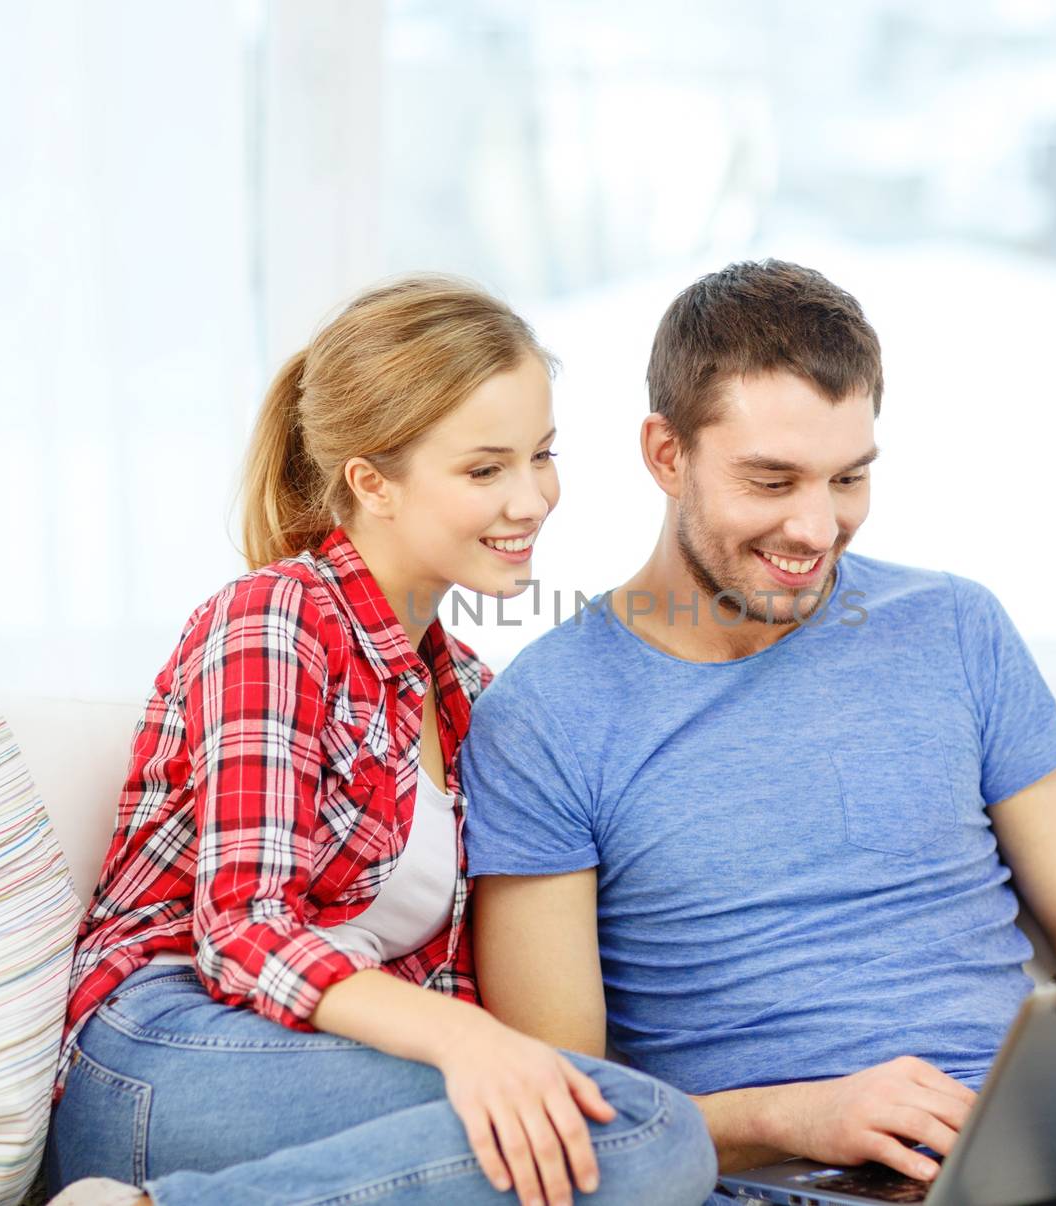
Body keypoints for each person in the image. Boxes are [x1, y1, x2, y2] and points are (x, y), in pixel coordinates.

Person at [459, 259, 1056, 1204]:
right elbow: (566, 1105)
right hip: (794, 1182)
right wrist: (790, 1117)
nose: (815, 525)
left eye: (849, 478)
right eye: (771, 480)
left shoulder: (955, 626)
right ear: (665, 453)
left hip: (1047, 1158)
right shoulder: (544, 715)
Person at [43, 277, 717, 1206]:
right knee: (634, 1128)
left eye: (543, 456)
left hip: (313, 1075)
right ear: (371, 482)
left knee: (606, 1132)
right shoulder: (275, 621)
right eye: (485, 470)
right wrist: (471, 1043)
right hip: (158, 1055)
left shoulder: (470, 690)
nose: (531, 500)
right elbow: (242, 931)